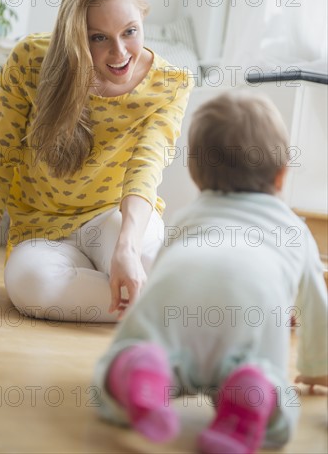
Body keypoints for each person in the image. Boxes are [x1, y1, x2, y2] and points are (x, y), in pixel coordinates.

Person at [93, 90, 327, 453]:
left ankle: (143, 369)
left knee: (140, 354)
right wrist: (317, 365)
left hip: (177, 304)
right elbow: (316, 307)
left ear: (196, 176)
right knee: (273, 395)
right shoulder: (295, 231)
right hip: (248, 316)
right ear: (281, 176)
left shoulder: (188, 218)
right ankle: (251, 390)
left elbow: (163, 272)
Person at [0, 0, 194, 322]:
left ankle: (160, 295)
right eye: (98, 37)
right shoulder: (30, 61)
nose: (119, 53)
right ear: (75, 35)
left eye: (130, 31)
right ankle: (166, 304)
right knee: (32, 285)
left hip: (113, 218)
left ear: (142, 17)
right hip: (41, 233)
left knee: (145, 259)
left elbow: (145, 167)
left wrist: (127, 248)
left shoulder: (170, 83)